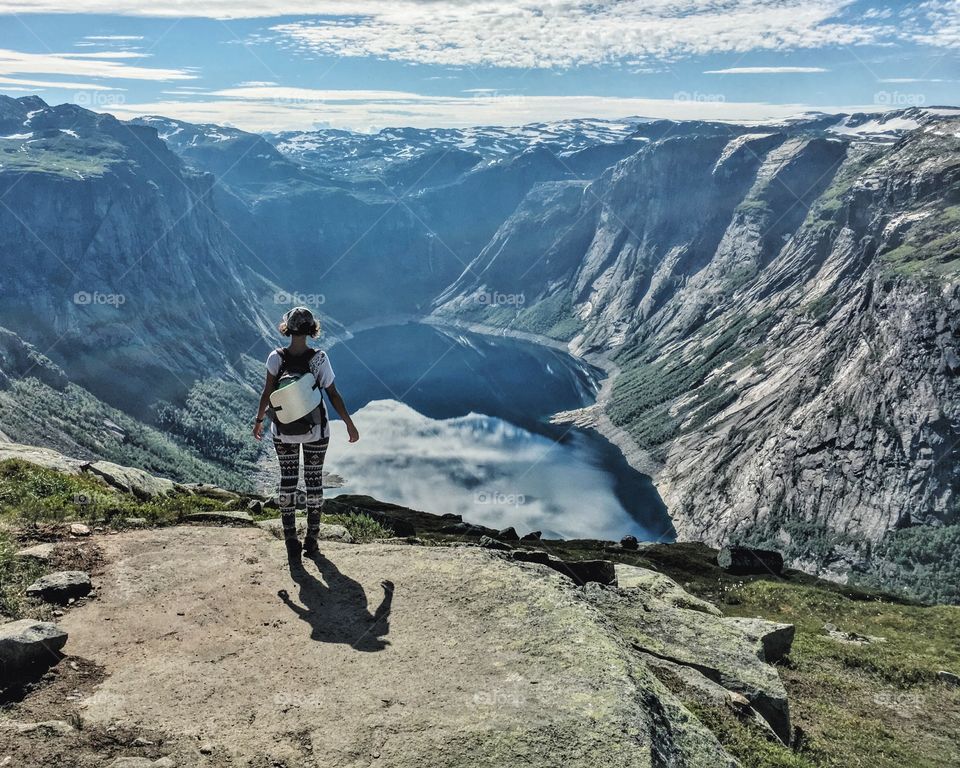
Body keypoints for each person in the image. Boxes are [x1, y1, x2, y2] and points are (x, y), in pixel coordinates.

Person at [253, 306, 360, 556]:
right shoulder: (319, 358)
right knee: (314, 483)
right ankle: (311, 539)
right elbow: (332, 394)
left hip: (283, 432)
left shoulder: (275, 357)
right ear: (312, 329)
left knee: (288, 482)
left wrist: (259, 420)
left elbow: (267, 393)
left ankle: (291, 539)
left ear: (287, 329)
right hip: (317, 431)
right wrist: (348, 422)